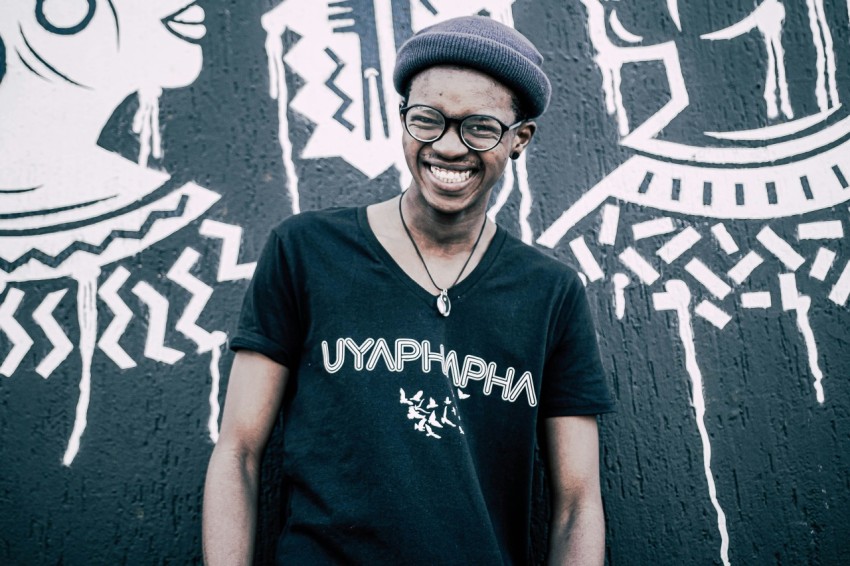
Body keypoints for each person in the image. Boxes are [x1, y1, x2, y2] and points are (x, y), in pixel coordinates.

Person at [203, 15, 614, 565]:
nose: (448, 147)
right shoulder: (304, 252)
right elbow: (239, 451)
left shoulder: (551, 293)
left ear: (519, 140)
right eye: (428, 120)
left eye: (480, 128)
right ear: (402, 120)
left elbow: (578, 501)